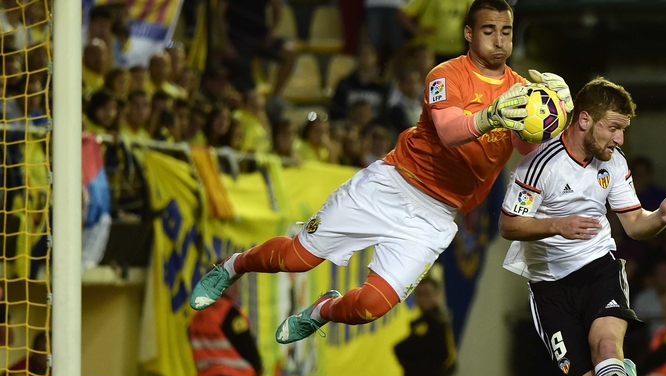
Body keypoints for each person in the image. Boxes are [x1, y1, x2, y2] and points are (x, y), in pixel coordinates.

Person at [189, 0, 574, 347]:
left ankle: (322, 311)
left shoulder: (524, 90)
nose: (499, 41)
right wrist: (489, 116)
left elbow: (527, 148)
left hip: (436, 216)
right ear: (469, 33)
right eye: (489, 31)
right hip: (392, 184)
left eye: (506, 31)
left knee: (369, 307)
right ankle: (231, 266)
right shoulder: (445, 75)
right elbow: (449, 131)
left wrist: (560, 119)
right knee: (297, 259)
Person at [498, 77, 666, 376]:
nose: (620, 140)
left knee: (606, 347)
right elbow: (508, 225)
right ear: (585, 120)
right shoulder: (539, 165)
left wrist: (660, 218)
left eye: (623, 129)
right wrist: (558, 225)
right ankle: (625, 375)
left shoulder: (614, 163)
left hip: (597, 268)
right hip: (548, 286)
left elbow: (635, 225)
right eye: (615, 128)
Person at [189, 283, 263, 376]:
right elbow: (245, 343)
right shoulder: (228, 312)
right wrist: (258, 367)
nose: (238, 288)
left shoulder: (198, 314)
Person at [393, 277, 457, 376]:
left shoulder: (439, 323)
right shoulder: (418, 323)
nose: (422, 299)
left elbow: (449, 359)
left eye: (426, 294)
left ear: (437, 295)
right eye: (419, 294)